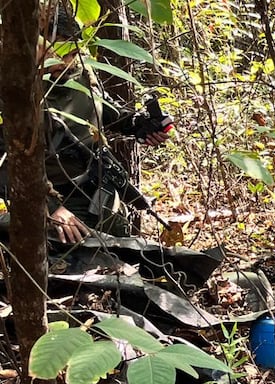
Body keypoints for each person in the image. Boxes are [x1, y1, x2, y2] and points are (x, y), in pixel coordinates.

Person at [0, 2, 172, 243]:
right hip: (41, 199)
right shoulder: (12, 91)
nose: (67, 61)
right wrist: (49, 207)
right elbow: (5, 168)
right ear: (35, 43)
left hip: (93, 192)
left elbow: (105, 110)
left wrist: (139, 124)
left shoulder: (81, 75)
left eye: (73, 52)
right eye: (59, 49)